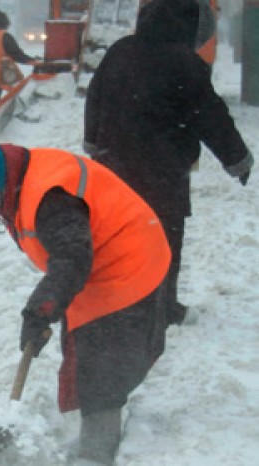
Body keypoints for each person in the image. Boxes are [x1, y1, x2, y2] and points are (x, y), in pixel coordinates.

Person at [0, 138, 171, 466]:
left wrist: (41, 309)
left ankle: (96, 454)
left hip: (127, 263)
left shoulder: (48, 197)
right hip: (103, 259)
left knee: (101, 371)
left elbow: (71, 258)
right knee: (87, 351)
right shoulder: (18, 177)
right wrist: (47, 308)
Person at [84, 0, 253, 325]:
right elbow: (212, 117)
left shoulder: (120, 51)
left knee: (119, 235)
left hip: (114, 166)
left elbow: (95, 97)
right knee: (163, 239)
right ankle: (162, 308)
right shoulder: (185, 63)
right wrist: (238, 160)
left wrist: (93, 142)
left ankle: (118, 302)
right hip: (163, 171)